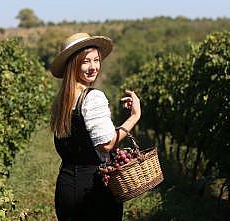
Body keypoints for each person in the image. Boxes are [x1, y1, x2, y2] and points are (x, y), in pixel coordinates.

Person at [49, 32, 141, 221]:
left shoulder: (62, 101)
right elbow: (106, 144)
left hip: (66, 187)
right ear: (73, 64)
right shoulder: (93, 97)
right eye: (86, 62)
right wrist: (134, 116)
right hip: (94, 192)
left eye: (96, 60)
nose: (93, 67)